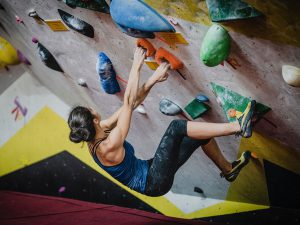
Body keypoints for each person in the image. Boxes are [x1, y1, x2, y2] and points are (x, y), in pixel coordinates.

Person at [68, 47, 256, 197]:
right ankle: (239, 126)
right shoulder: (107, 147)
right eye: (89, 109)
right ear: (93, 119)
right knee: (177, 127)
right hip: (153, 182)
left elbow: (132, 103)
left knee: (198, 135)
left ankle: (228, 170)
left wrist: (153, 80)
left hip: (151, 169)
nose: (92, 108)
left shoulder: (99, 129)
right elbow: (127, 102)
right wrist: (136, 65)